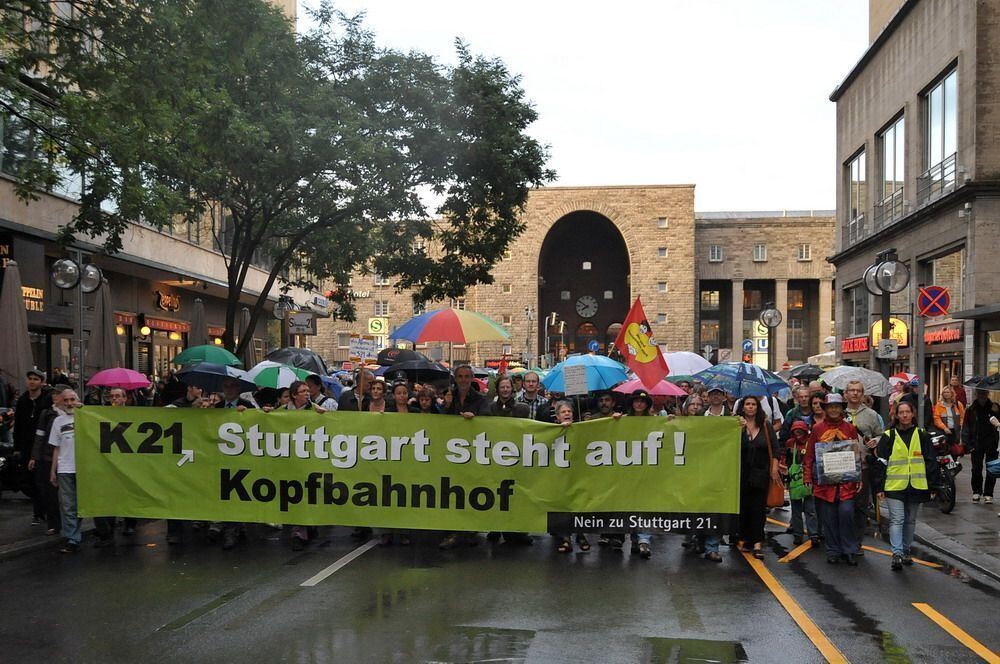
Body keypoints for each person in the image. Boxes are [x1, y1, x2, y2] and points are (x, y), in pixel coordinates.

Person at [872, 401, 941, 570]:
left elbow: (931, 460)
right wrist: (879, 487)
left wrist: (933, 486)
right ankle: (897, 553)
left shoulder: (922, 434)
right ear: (896, 415)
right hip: (894, 485)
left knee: (910, 520)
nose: (904, 415)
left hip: (916, 485)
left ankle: (906, 550)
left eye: (907, 412)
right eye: (901, 412)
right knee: (897, 519)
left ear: (913, 414)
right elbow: (880, 462)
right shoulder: (889, 436)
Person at [804, 393, 862, 566]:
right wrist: (807, 476)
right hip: (825, 484)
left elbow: (856, 454)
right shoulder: (817, 429)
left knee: (846, 514)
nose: (834, 410)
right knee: (828, 517)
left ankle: (849, 549)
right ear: (826, 409)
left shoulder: (850, 428)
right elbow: (809, 456)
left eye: (837, 406)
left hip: (846, 482)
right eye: (831, 407)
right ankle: (833, 550)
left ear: (842, 408)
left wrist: (859, 477)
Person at [440, 365, 486, 550]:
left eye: (467, 376)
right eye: (460, 376)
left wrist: (475, 418)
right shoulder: (449, 398)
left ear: (472, 378)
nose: (464, 380)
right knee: (452, 493)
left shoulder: (480, 400)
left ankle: (469, 531)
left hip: (472, 452)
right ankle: (453, 531)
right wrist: (447, 406)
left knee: (470, 492)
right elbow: (439, 423)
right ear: (455, 379)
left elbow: (489, 420)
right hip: (451, 453)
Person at [212, 377, 256, 549]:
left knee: (238, 492)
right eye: (226, 386)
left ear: (238, 389)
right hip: (221, 457)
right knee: (225, 493)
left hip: (241, 457)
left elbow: (259, 424)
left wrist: (247, 415)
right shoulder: (216, 408)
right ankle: (231, 526)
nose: (229, 390)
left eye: (232, 386)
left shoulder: (248, 406)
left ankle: (235, 527)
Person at [94, 387, 138, 545]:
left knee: (128, 492)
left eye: (118, 396)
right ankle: (110, 525)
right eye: (111, 396)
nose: (114, 399)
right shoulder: (102, 414)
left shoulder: (133, 414)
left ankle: (130, 523)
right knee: (111, 492)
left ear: (125, 399)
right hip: (110, 461)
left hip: (128, 459)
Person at [284, 380, 324, 551]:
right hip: (288, 459)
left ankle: (304, 529)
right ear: (294, 395)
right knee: (294, 495)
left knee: (307, 494)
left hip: (308, 459)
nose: (307, 393)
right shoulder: (283, 411)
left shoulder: (314, 409)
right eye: (302, 391)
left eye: (308, 391)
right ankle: (300, 531)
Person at [736, 395, 778, 559]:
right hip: (741, 472)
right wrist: (739, 427)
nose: (751, 407)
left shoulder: (766, 425)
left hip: (761, 472)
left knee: (758, 508)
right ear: (743, 407)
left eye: (754, 404)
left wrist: (774, 469)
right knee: (744, 507)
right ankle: (746, 539)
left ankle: (758, 543)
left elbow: (775, 449)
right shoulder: (737, 425)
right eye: (747, 404)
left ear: (758, 407)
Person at [844, 380, 883, 553]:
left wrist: (877, 441)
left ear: (863, 394)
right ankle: (843, 539)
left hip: (863, 467)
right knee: (844, 507)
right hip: (842, 468)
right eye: (851, 390)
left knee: (861, 506)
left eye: (858, 391)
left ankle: (857, 542)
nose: (854, 393)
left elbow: (881, 435)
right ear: (845, 393)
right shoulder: (838, 413)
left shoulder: (871, 415)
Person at [550, 400, 591, 554]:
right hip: (560, 474)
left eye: (569, 411)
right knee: (563, 505)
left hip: (578, 473)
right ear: (557, 416)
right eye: (563, 412)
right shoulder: (551, 430)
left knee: (578, 504)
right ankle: (565, 538)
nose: (567, 414)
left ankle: (580, 534)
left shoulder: (581, 428)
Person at [30, 383, 70, 536]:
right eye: (54, 393)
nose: (55, 396)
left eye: (58, 394)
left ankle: (70, 524)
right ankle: (54, 524)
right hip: (48, 457)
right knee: (51, 493)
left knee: (68, 494)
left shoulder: (74, 412)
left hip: (68, 457)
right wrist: (35, 456)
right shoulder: (47, 414)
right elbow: (39, 436)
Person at [15, 369, 52, 526]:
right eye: (30, 379)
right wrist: (17, 447)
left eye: (35, 379)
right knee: (27, 480)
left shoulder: (47, 400)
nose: (32, 382)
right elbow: (18, 425)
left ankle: (40, 513)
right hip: (26, 445)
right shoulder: (23, 400)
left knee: (41, 480)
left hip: (43, 445)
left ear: (41, 382)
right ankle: (40, 509)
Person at [48, 387, 81, 553]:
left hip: (85, 468)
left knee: (84, 504)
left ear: (77, 400)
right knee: (68, 505)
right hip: (65, 468)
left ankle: (103, 533)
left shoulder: (87, 416)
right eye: (66, 400)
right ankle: (72, 539)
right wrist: (53, 470)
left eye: (72, 399)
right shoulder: (58, 422)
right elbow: (56, 448)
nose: (69, 403)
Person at [784, 421, 819, 546]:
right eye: (795, 431)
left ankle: (813, 534)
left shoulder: (811, 442)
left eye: (800, 431)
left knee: (810, 509)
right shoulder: (790, 443)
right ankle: (798, 534)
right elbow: (785, 459)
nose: (798, 434)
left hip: (809, 478)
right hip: (794, 480)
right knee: (796, 510)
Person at [962, 389, 1000, 504]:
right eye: (980, 394)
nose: (982, 396)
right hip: (976, 443)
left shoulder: (995, 407)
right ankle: (976, 491)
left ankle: (989, 493)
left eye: (984, 393)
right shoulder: (971, 409)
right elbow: (966, 427)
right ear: (976, 395)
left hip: (991, 442)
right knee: (976, 469)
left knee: (992, 469)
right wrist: (967, 444)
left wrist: (997, 412)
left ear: (988, 394)